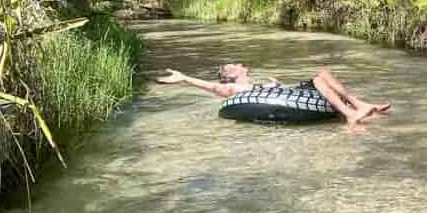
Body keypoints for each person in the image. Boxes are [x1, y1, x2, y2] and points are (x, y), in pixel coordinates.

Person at [157, 62, 390, 126]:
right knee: (319, 78)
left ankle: (362, 105)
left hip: (294, 97)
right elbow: (212, 87)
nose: (240, 63)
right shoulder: (235, 89)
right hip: (292, 99)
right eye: (234, 64)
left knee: (323, 73)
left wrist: (275, 86)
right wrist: (184, 78)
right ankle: (350, 114)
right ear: (230, 75)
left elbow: (287, 95)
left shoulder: (256, 86)